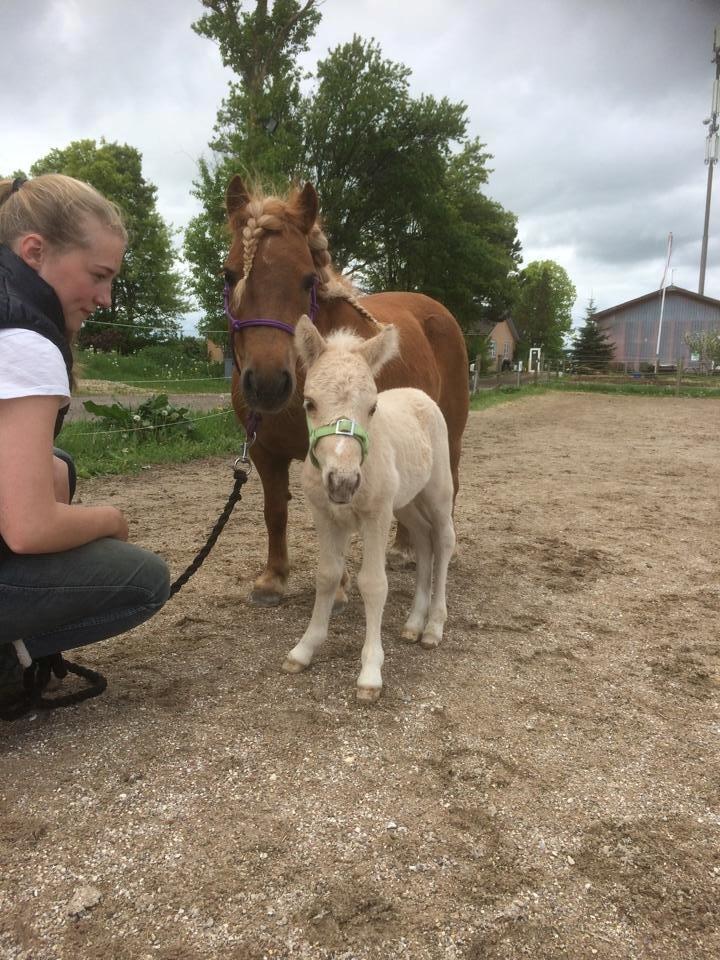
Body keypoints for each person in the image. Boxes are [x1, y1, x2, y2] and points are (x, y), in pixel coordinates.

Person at [0, 174, 170, 718]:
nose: (105, 298)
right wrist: (112, 519)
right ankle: (9, 662)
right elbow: (28, 530)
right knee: (146, 580)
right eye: (99, 276)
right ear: (34, 252)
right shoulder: (26, 339)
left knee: (58, 468)